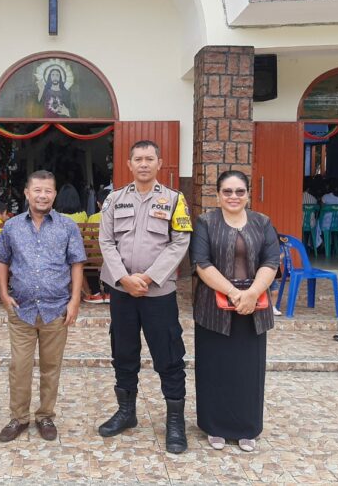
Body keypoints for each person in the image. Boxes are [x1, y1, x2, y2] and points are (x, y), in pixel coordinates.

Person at [97, 140, 193, 454]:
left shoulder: (174, 200)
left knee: (168, 356)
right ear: (128, 164)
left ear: (159, 162)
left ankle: (175, 422)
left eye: (149, 158)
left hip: (158, 293)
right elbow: (106, 241)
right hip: (123, 292)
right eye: (137, 159)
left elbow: (180, 243)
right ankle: (126, 413)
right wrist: (124, 278)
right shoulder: (113, 200)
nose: (143, 164)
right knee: (123, 353)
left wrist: (149, 277)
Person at [0, 170, 86, 443]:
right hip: (22, 309)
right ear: (27, 193)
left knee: (50, 366)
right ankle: (18, 418)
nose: (42, 195)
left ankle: (45, 416)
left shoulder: (67, 226)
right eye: (37, 190)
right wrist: (4, 295)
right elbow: (2, 260)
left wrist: (75, 300)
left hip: (56, 309)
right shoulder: (12, 227)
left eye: (48, 191)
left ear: (54, 195)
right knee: (19, 366)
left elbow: (76, 263)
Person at [189, 170, 279, 453]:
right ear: (217, 195)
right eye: (227, 191)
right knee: (214, 368)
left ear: (248, 194)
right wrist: (233, 293)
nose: (233, 197)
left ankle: (246, 428)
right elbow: (201, 263)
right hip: (213, 309)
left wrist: (251, 294)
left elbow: (271, 261)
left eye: (239, 191)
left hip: (253, 308)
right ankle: (214, 426)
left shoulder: (262, 222)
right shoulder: (205, 221)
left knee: (247, 371)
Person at [83, 188, 111, 304]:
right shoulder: (116, 218)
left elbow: (87, 240)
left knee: (89, 261)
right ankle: (110, 292)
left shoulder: (93, 218)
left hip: (96, 261)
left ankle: (95, 292)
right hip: (112, 260)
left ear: (98, 203)